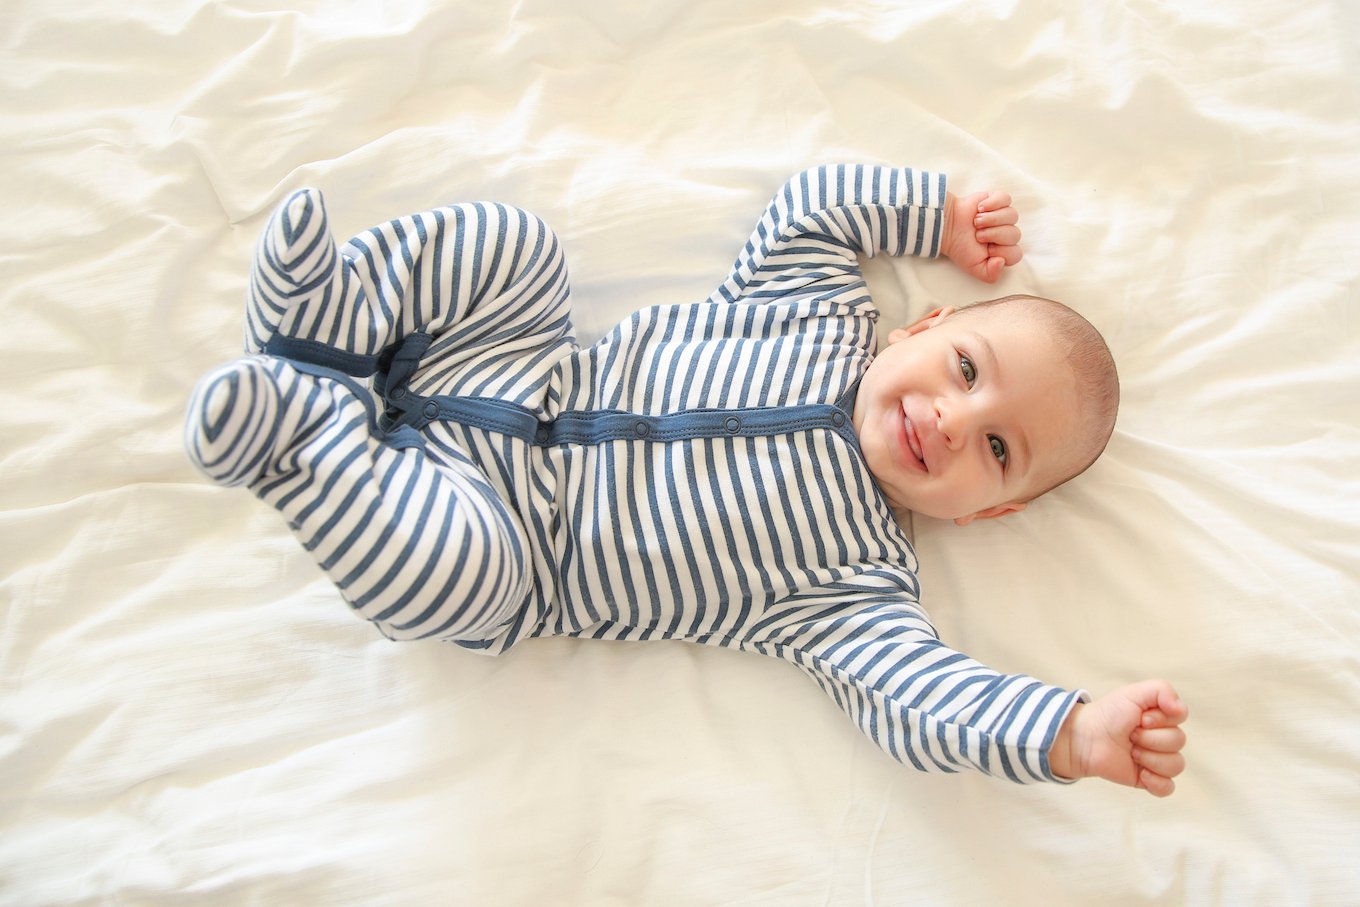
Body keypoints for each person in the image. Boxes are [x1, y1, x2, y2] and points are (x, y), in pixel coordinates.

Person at [185, 164, 1187, 795]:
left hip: (495, 535)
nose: (954, 419)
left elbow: (917, 702)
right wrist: (934, 216)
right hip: (506, 362)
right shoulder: (815, 307)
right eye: (967, 371)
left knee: (452, 586)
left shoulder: (855, 589)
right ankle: (327, 330)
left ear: (991, 510)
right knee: (518, 248)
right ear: (926, 326)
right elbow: (812, 207)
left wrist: (1065, 732)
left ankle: (305, 450)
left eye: (998, 450)